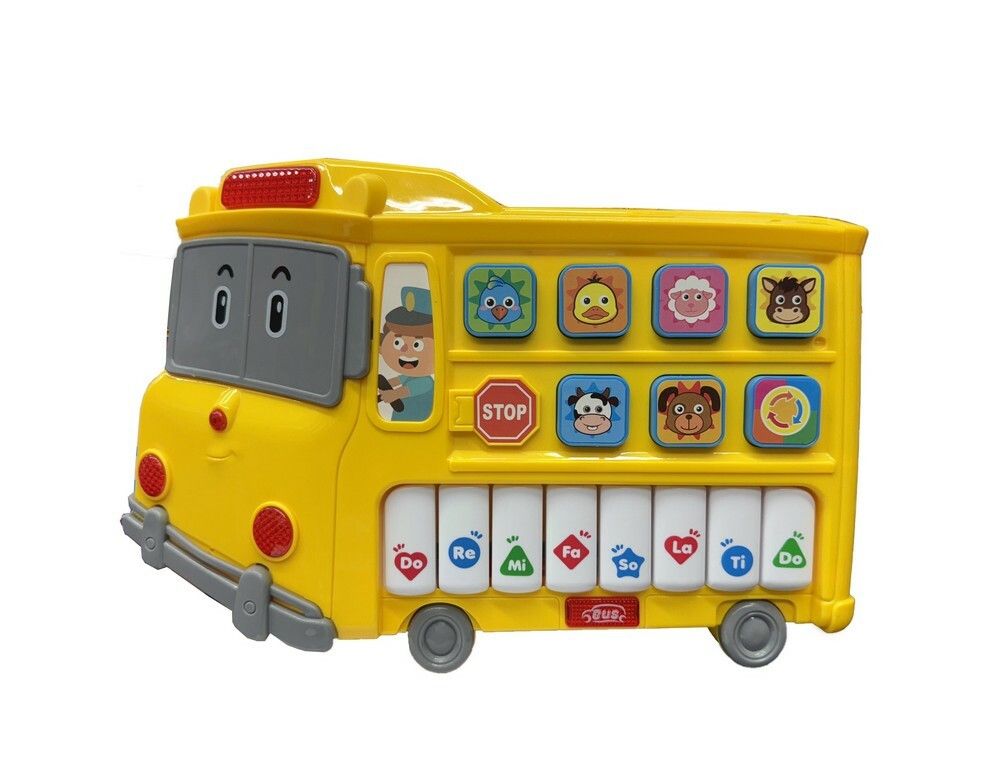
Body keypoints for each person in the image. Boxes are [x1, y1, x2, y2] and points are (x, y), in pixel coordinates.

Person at [377, 287, 435, 422]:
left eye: (417, 345)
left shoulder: (425, 381)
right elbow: (398, 380)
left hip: (417, 420)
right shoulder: (410, 376)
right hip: (402, 420)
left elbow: (405, 391)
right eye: (397, 342)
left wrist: (393, 394)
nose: (405, 350)